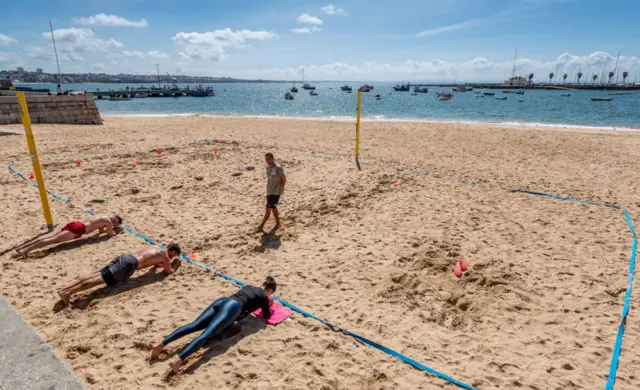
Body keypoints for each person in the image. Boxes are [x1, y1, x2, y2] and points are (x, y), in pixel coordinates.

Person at [150, 276, 277, 373]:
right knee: (207, 334)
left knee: (193, 325)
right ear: (270, 290)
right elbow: (266, 315)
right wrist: (269, 302)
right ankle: (179, 359)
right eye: (271, 293)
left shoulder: (248, 286)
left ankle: (161, 344)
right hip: (233, 307)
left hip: (223, 301)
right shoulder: (264, 298)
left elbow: (248, 300)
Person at [57, 244, 182, 306]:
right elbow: (168, 271)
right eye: (173, 255)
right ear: (171, 251)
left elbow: (154, 265)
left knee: (97, 274)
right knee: (100, 279)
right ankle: (68, 293)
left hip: (126, 257)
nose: (172, 257)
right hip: (130, 264)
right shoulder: (165, 256)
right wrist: (175, 264)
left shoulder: (155, 247)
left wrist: (165, 263)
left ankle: (65, 288)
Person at [16, 215, 123, 259]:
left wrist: (108, 229)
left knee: (49, 235)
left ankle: (22, 247)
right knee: (52, 240)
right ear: (115, 220)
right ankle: (26, 250)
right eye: (115, 222)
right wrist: (116, 231)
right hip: (79, 229)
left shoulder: (103, 216)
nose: (114, 223)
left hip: (75, 223)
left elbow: (100, 230)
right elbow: (109, 235)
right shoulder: (109, 222)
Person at [256, 153, 286, 235]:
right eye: (266, 159)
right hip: (269, 190)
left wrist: (282, 188)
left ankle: (261, 225)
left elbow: (283, 179)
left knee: (269, 208)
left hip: (276, 191)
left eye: (269, 159)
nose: (267, 161)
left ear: (273, 158)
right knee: (273, 207)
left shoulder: (278, 168)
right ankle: (278, 223)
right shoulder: (268, 167)